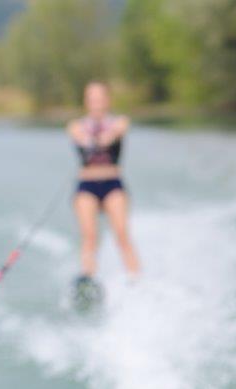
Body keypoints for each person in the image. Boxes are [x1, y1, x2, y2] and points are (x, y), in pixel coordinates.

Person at [67, 81, 140, 300]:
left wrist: (104, 136)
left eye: (100, 98)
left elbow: (117, 132)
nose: (96, 103)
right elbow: (78, 136)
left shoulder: (119, 122)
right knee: (89, 235)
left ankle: (135, 278)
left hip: (113, 183)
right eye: (92, 99)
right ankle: (88, 278)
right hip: (87, 186)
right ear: (86, 102)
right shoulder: (76, 126)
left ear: (107, 101)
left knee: (121, 233)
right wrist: (89, 138)